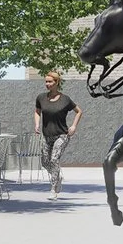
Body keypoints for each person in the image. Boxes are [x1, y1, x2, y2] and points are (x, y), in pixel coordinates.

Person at [32, 71, 82, 199]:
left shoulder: (65, 99)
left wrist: (74, 126)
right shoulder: (41, 98)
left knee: (54, 160)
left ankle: (53, 189)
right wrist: (37, 124)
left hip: (62, 135)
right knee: (44, 162)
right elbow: (37, 112)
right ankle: (57, 175)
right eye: (46, 81)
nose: (47, 84)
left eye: (50, 81)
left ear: (57, 82)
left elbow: (79, 111)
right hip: (46, 135)